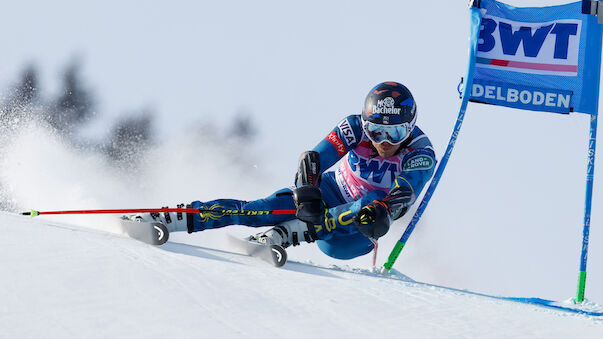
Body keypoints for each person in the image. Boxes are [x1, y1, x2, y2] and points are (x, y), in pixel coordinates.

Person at [136, 81, 436, 260]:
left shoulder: (421, 152)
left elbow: (404, 193)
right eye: (375, 131)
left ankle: (286, 235)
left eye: (394, 134)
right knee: (261, 209)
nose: (383, 142)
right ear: (365, 123)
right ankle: (174, 218)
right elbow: (314, 158)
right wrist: (307, 189)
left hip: (356, 231)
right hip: (333, 192)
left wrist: (383, 210)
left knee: (371, 202)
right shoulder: (354, 126)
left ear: (409, 127)